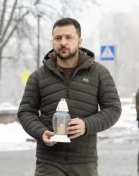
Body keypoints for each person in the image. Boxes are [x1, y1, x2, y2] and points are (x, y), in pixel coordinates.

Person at [17, 17, 121, 176]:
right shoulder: (38, 76)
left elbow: (113, 109)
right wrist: (40, 132)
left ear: (79, 41)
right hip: (49, 162)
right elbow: (25, 111)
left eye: (68, 37)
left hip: (84, 162)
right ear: (53, 40)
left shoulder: (99, 73)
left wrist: (87, 125)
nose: (63, 42)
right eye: (58, 38)